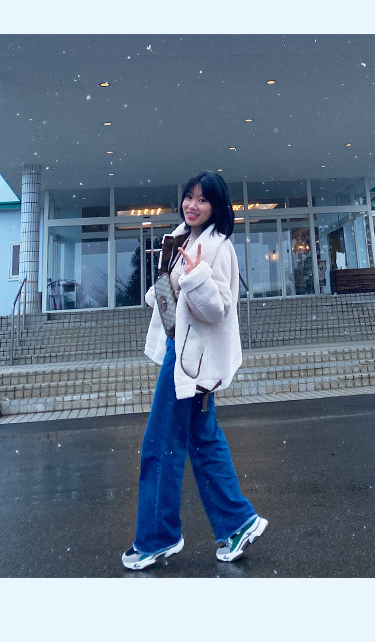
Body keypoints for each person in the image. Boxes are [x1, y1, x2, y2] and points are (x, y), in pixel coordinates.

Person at [122, 171, 268, 571]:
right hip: (187, 353)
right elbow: (171, 295)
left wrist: (194, 275)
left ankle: (157, 538)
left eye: (203, 199)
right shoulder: (183, 238)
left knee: (160, 445)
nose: (192, 204)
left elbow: (217, 309)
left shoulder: (217, 247)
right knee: (204, 441)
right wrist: (166, 281)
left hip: (190, 360)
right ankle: (238, 523)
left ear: (217, 207)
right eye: (189, 196)